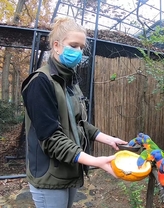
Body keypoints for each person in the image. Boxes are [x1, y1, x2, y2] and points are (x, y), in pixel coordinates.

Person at [21, 16, 127, 208]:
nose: (78, 51)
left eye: (81, 47)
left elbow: (79, 123)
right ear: (57, 46)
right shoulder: (40, 82)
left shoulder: (70, 81)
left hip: (69, 169)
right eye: (73, 45)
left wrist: (108, 139)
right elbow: (51, 138)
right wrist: (95, 161)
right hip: (49, 177)